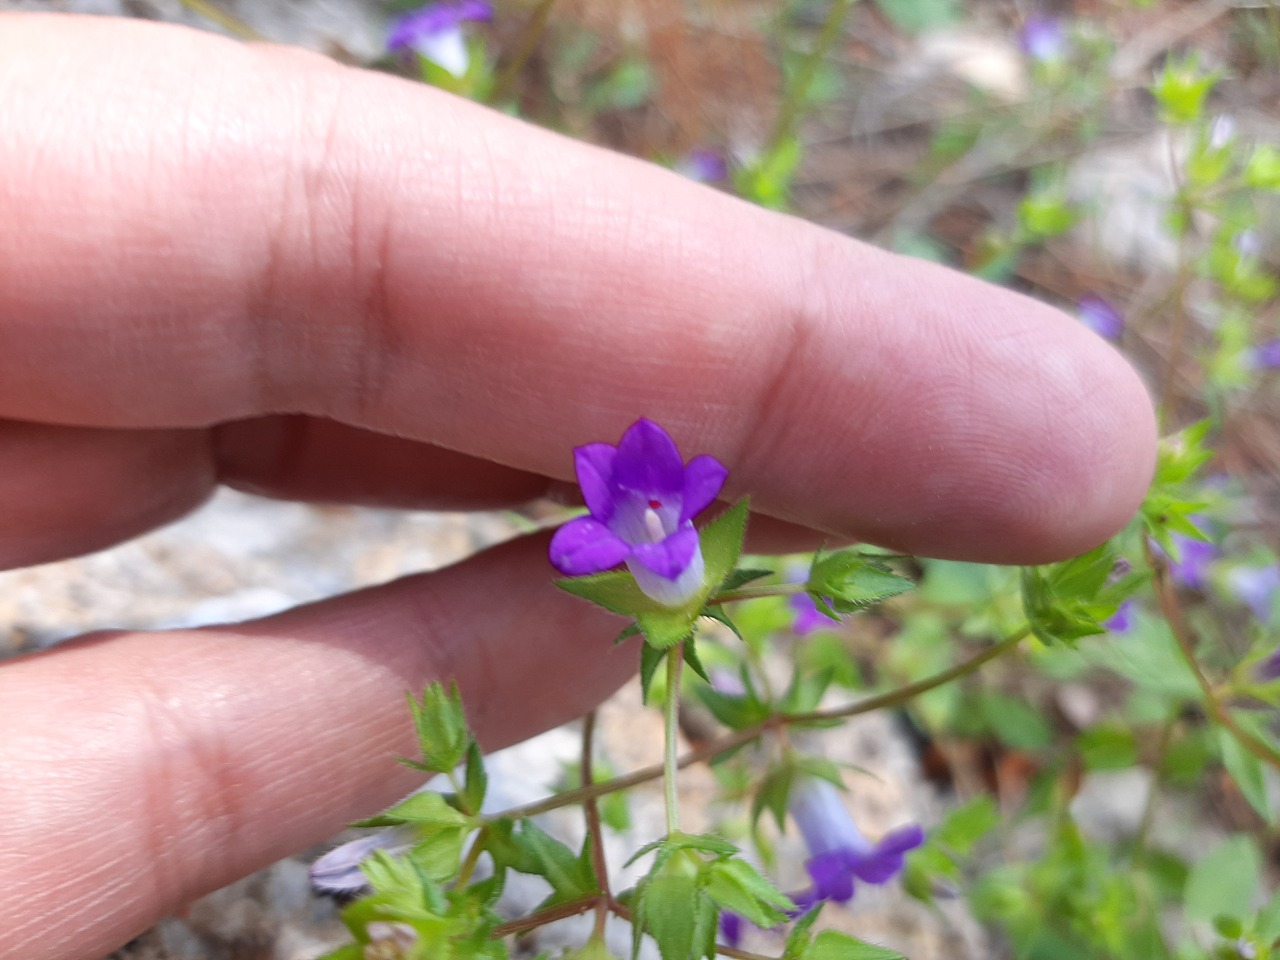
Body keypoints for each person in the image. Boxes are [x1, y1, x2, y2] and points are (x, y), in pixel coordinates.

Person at [0, 13, 1156, 960]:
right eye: (649, 520)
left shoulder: (668, 516)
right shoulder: (639, 529)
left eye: (667, 519)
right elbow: (639, 513)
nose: (659, 521)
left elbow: (668, 499)